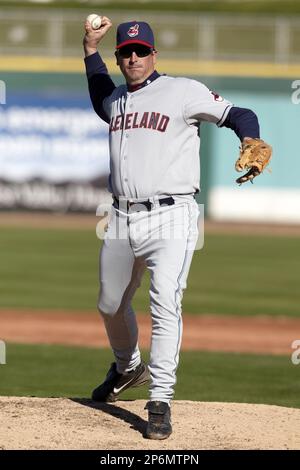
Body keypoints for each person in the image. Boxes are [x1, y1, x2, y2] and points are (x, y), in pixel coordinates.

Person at [83, 17, 262, 440]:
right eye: (125, 52)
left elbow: (240, 113)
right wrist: (89, 49)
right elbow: (98, 94)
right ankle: (128, 369)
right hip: (121, 216)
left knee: (165, 303)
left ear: (153, 54)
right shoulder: (117, 101)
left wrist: (251, 141)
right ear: (119, 58)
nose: (133, 58)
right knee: (110, 304)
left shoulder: (183, 91)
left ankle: (160, 399)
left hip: (172, 215)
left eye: (140, 51)